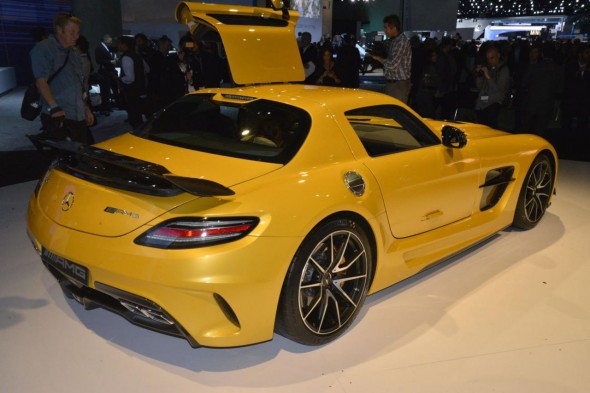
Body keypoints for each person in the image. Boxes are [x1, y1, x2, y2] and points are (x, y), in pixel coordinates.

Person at [30, 12, 94, 143]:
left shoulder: (74, 52)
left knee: (80, 153)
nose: (76, 36)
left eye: (77, 32)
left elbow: (80, 83)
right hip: (59, 114)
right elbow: (41, 81)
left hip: (78, 114)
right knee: (64, 156)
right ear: (59, 30)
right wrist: (54, 107)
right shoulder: (44, 49)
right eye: (72, 32)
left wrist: (86, 108)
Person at [370, 14, 412, 103]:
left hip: (399, 84)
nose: (384, 30)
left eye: (386, 28)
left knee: (397, 113)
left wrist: (378, 58)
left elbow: (393, 65)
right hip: (393, 83)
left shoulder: (401, 42)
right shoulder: (394, 41)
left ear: (394, 28)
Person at [473, 44, 511, 129]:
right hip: (482, 107)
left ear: (498, 55)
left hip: (492, 108)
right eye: (488, 59)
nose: (490, 61)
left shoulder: (504, 70)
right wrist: (479, 75)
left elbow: (498, 92)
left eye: (492, 58)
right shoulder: (489, 68)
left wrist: (488, 76)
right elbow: (480, 88)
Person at [118, 35, 149, 128]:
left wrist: (121, 79)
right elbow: (147, 69)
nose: (118, 45)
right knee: (139, 117)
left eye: (119, 43)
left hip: (133, 92)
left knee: (135, 119)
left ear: (125, 45)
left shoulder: (126, 57)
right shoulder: (137, 56)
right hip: (141, 90)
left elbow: (130, 78)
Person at [94, 34, 119, 112]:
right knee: (105, 90)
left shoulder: (108, 48)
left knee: (114, 87)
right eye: (110, 40)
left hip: (110, 70)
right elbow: (98, 60)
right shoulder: (99, 48)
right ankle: (106, 106)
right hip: (105, 71)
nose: (111, 42)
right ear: (105, 40)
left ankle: (116, 104)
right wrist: (110, 61)